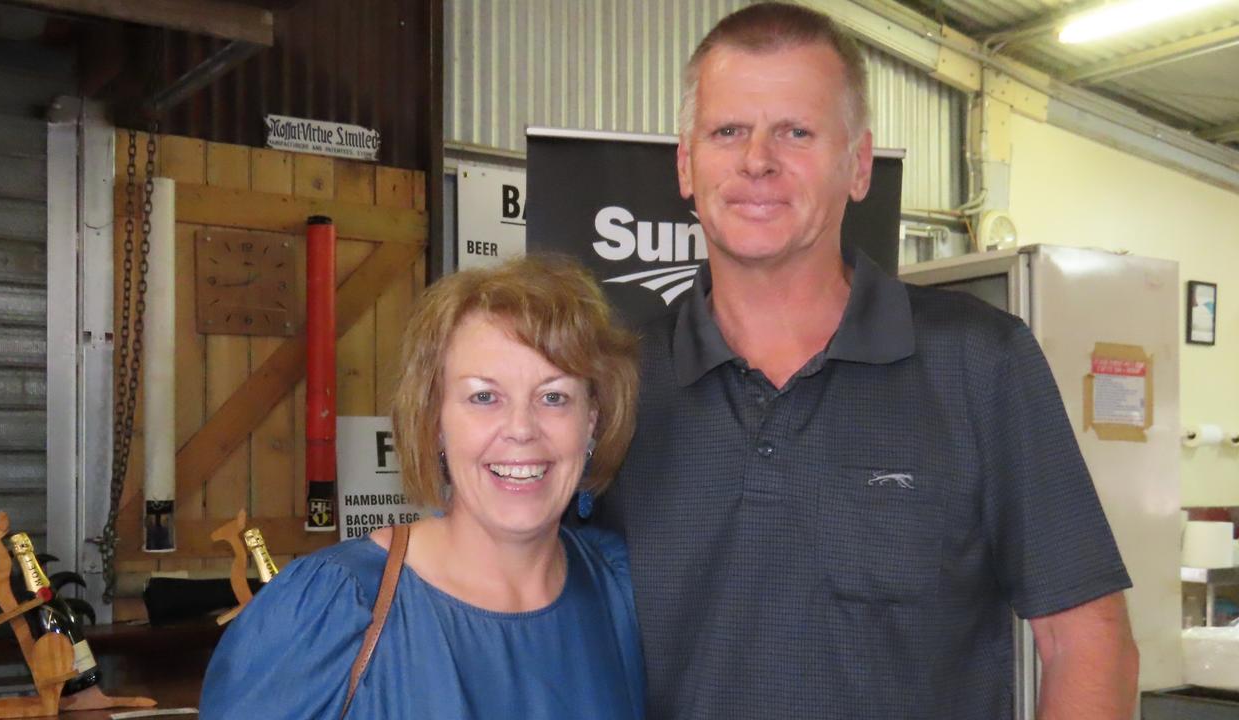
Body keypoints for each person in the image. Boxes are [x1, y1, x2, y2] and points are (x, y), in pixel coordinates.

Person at [596, 3, 1139, 719]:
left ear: (857, 167)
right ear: (687, 165)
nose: (757, 159)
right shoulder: (616, 380)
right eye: (728, 131)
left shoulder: (982, 364)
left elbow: (1087, 643)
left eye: (796, 131)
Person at [201, 255, 644, 719]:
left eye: (554, 397)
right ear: (434, 422)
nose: (521, 429)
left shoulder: (625, 591)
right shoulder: (330, 610)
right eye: (484, 397)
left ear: (591, 420)